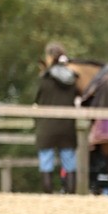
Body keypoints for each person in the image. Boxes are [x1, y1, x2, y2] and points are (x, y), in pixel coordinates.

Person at [34, 42, 79, 194]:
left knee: (46, 162)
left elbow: (37, 101)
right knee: (70, 163)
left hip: (46, 126)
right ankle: (71, 195)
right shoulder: (73, 79)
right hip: (67, 126)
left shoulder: (44, 80)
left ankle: (49, 196)